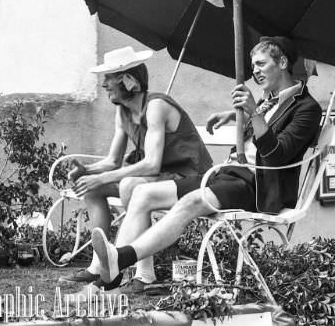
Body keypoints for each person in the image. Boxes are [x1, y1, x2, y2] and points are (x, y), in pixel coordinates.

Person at [89, 37, 322, 292]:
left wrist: (253, 112)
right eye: (252, 64)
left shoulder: (307, 108)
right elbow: (269, 119)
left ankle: (121, 258)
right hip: (229, 175)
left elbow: (277, 154)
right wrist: (236, 114)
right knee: (142, 193)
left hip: (260, 186)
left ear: (283, 62)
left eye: (261, 64)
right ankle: (112, 270)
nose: (254, 70)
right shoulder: (270, 98)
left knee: (191, 202)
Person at [59, 46, 213, 294]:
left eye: (109, 78)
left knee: (132, 185)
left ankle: (142, 274)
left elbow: (152, 163)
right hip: (159, 177)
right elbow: (112, 161)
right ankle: (99, 265)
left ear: (129, 81)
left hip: (189, 177)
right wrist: (87, 171)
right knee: (94, 190)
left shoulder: (156, 106)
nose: (104, 85)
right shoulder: (122, 111)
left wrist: (102, 176)